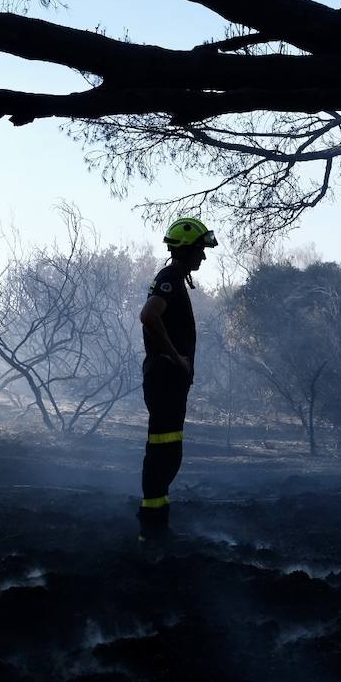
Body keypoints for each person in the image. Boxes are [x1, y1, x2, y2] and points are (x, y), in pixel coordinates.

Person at [136, 216, 217, 543]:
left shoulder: (174, 278)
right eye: (200, 249)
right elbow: (148, 315)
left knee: (167, 454)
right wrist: (174, 356)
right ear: (186, 249)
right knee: (162, 455)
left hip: (169, 381)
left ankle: (157, 528)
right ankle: (152, 531)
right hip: (165, 379)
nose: (203, 256)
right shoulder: (169, 278)